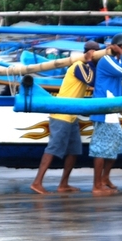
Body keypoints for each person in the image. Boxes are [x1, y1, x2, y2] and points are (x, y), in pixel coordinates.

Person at [30, 41, 100, 195]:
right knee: (53, 149)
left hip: (71, 115)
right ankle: (37, 182)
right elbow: (94, 82)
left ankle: (63, 184)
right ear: (90, 53)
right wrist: (89, 61)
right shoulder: (79, 66)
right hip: (61, 115)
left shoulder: (85, 66)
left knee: (74, 151)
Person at [89, 33, 122, 196]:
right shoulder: (107, 61)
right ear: (121, 47)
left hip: (112, 110)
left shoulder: (113, 62)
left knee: (116, 145)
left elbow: (121, 83)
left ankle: (104, 179)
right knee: (101, 149)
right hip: (104, 110)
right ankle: (96, 185)